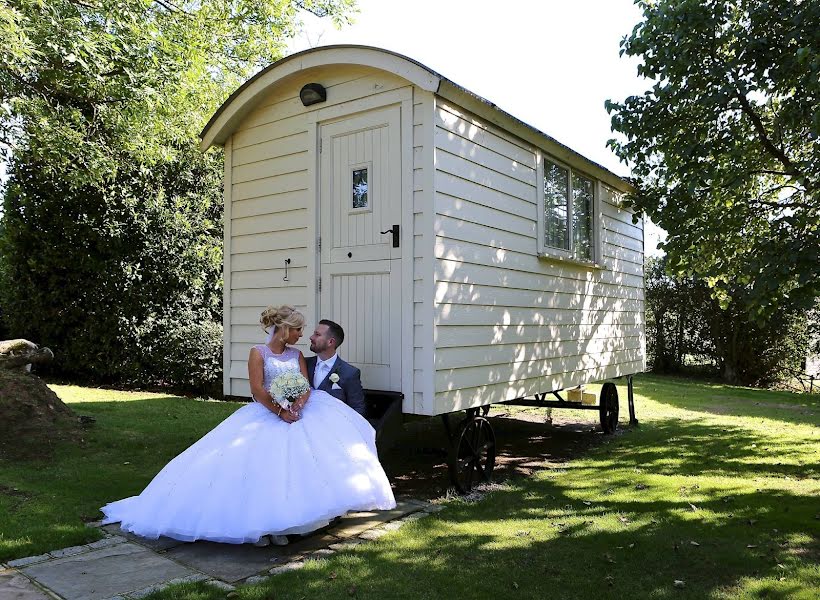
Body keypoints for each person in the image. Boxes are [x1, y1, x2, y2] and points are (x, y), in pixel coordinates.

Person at [100, 305, 396, 546]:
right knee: (261, 469)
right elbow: (257, 390)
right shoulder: (258, 352)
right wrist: (280, 411)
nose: (302, 335)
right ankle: (261, 526)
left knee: (299, 468)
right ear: (284, 330)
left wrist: (298, 404)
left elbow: (304, 385)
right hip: (267, 415)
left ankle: (289, 524)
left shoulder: (296, 356)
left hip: (300, 414)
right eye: (298, 329)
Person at [306, 320, 366, 416]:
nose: (311, 337)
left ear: (330, 342)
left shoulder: (349, 373)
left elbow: (358, 409)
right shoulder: (304, 364)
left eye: (317, 335)